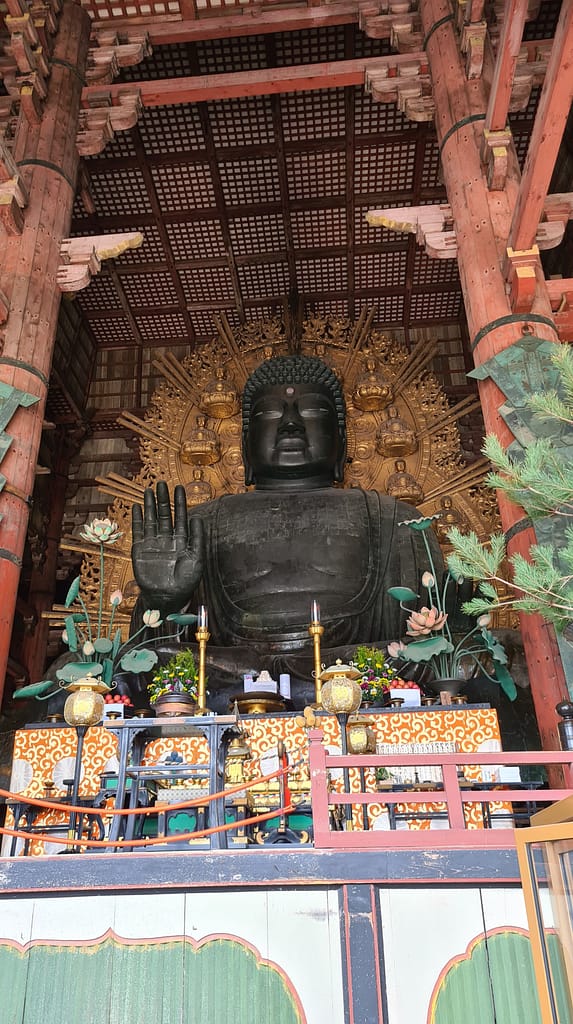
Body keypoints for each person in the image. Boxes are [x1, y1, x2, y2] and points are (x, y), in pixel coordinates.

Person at [131, 355, 441, 709]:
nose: (291, 424)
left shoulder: (395, 519)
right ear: (245, 446)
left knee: (455, 656)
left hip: (353, 666)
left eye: (312, 412)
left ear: (342, 442)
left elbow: (432, 639)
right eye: (270, 414)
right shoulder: (201, 523)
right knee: (146, 660)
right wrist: (162, 601)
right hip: (230, 670)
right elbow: (151, 650)